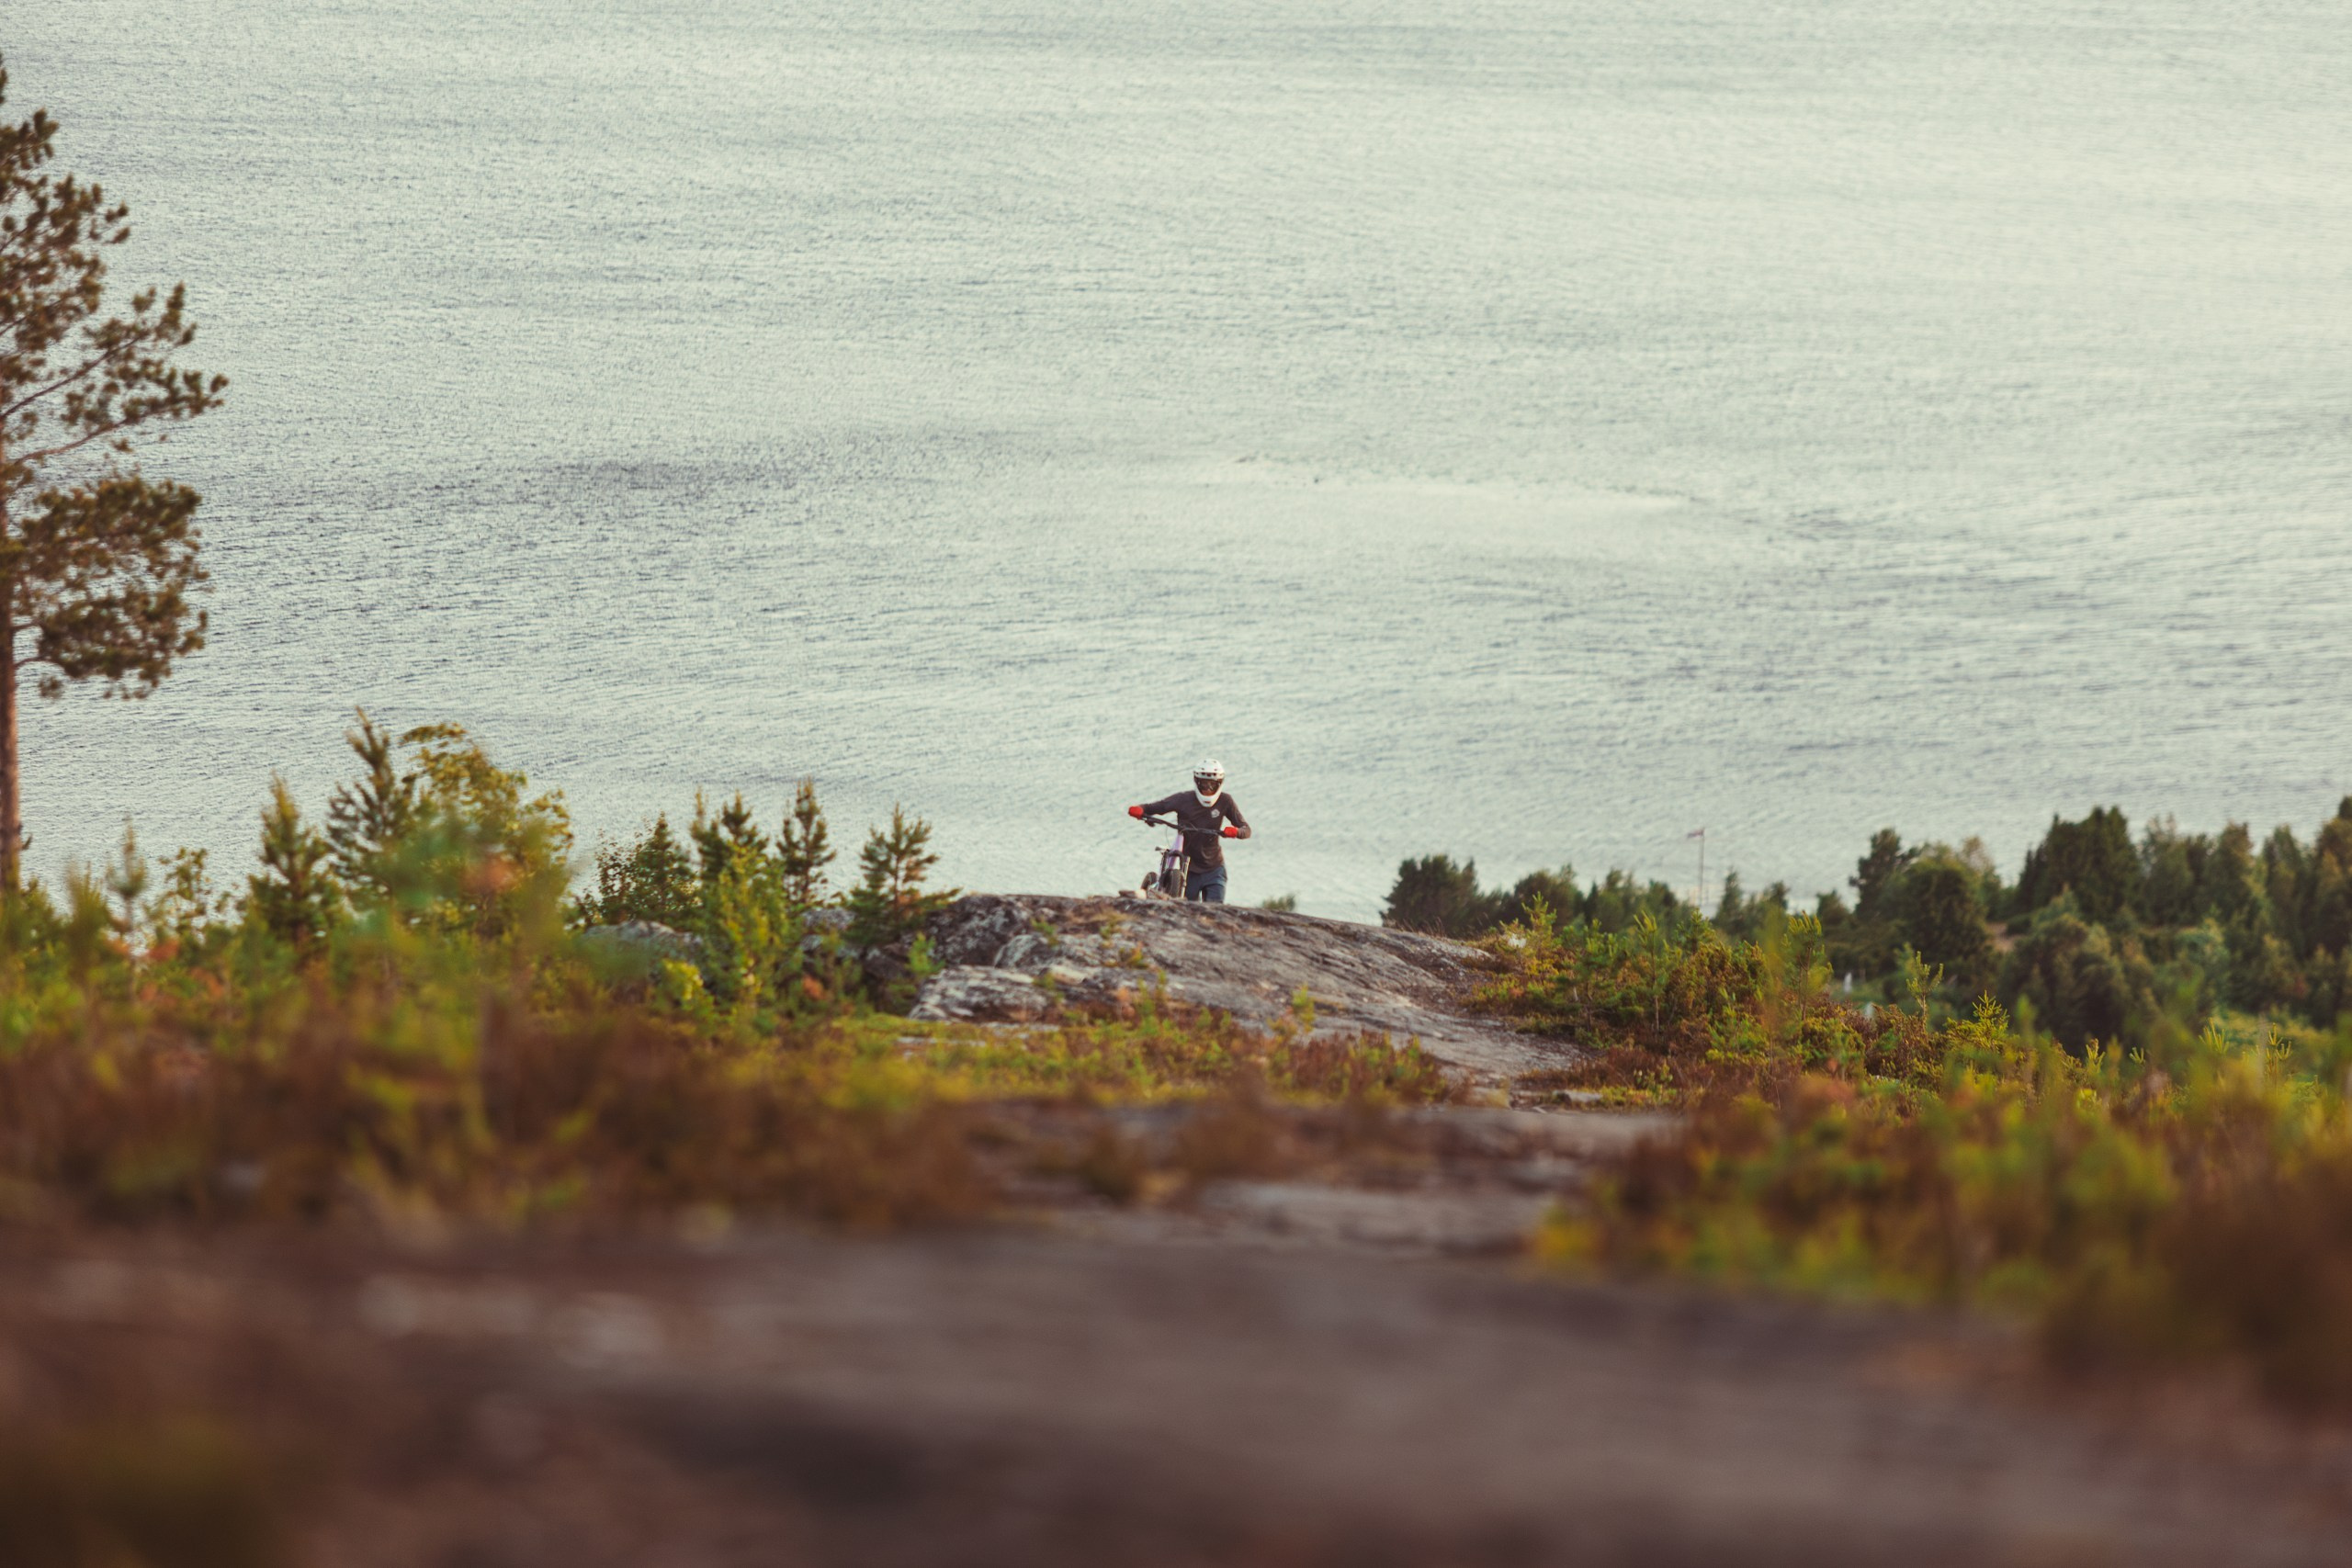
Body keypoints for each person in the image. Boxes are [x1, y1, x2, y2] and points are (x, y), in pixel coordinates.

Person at [1127, 759, 1250, 902]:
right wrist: (1139, 810)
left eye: (1212, 785)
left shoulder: (1226, 801)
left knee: (1215, 910)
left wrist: (1235, 832)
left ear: (1219, 784)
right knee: (1187, 911)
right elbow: (1156, 807)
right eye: (1204, 784)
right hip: (1189, 871)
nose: (1208, 789)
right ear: (1197, 782)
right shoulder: (1183, 799)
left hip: (1215, 869)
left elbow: (1246, 829)